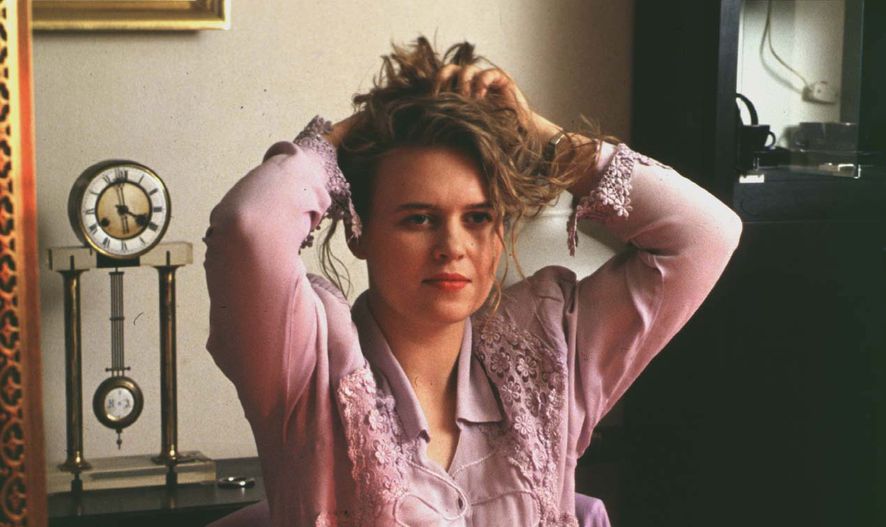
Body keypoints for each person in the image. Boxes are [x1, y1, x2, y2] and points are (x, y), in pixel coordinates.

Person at [203, 37, 742, 527]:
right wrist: (343, 138)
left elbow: (706, 234)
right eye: (418, 219)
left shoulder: (551, 352)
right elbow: (248, 229)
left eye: (478, 218)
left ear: (500, 232)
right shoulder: (305, 364)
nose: (452, 246)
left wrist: (546, 141)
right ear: (358, 232)